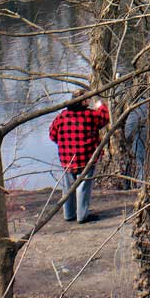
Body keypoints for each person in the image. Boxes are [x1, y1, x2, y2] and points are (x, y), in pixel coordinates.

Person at [49, 95, 110, 224]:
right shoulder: (90, 115)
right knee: (83, 187)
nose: (88, 101)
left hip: (66, 158)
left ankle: (69, 214)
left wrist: (65, 144)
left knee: (68, 187)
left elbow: (52, 135)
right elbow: (104, 118)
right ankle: (82, 216)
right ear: (82, 102)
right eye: (87, 99)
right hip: (86, 157)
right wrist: (100, 105)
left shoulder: (62, 117)